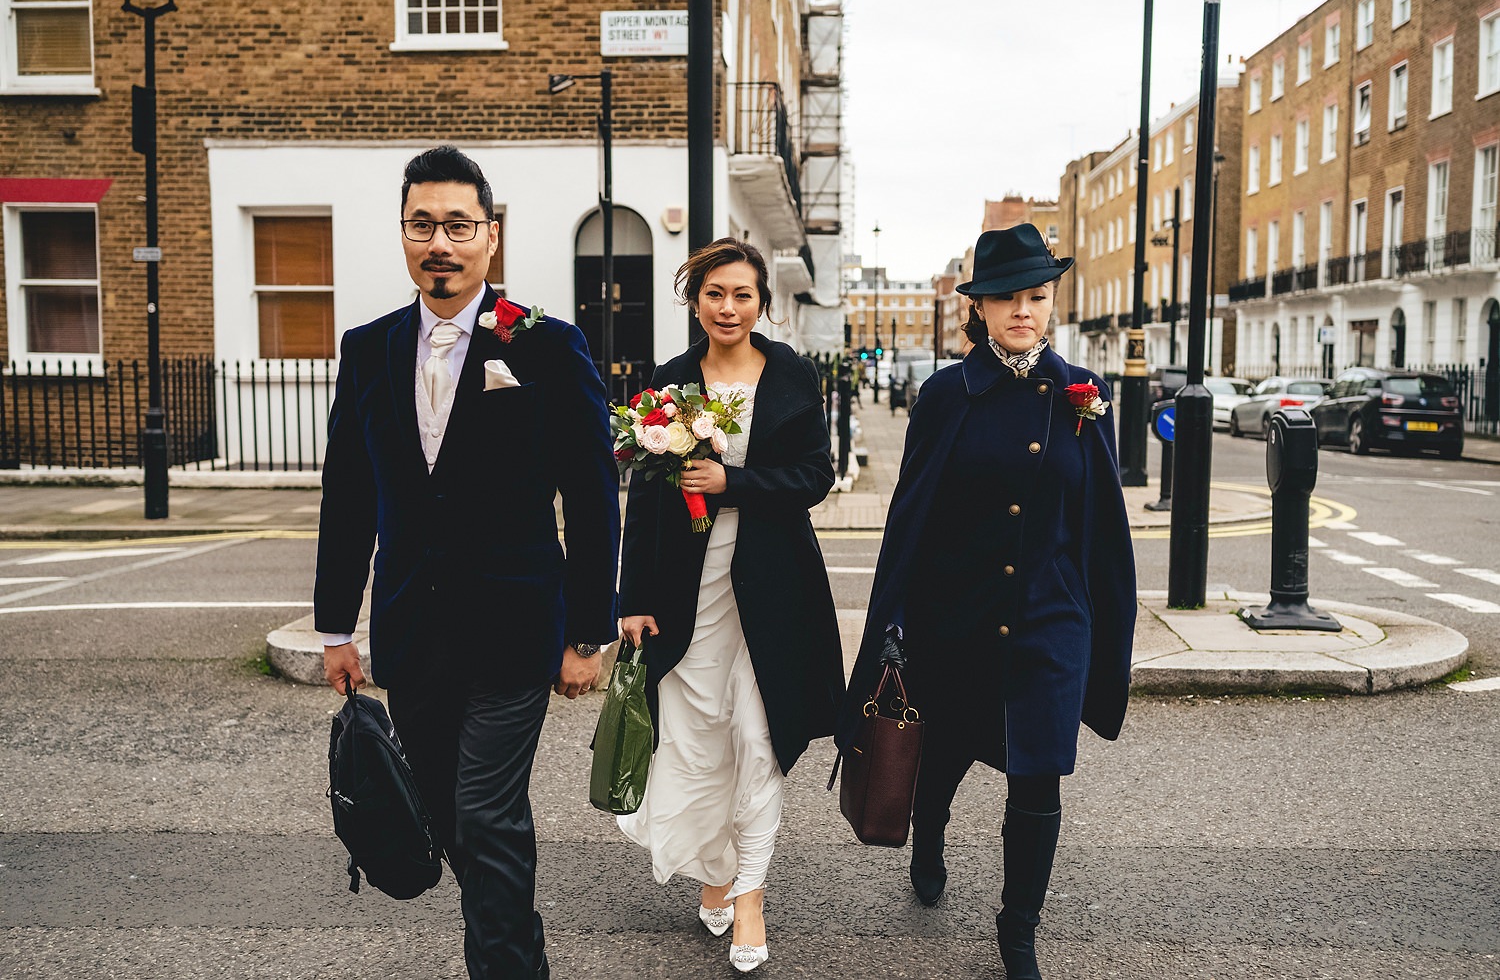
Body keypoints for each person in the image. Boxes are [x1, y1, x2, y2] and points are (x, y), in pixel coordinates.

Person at [315, 146, 620, 980]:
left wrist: (589, 632)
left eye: (458, 225)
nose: (439, 242)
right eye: (423, 225)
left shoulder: (547, 346)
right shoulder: (368, 348)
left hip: (516, 629)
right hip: (415, 635)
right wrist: (336, 627)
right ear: (404, 235)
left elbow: (593, 498)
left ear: (490, 236)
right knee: (451, 819)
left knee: (486, 815)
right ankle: (515, 947)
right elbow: (348, 496)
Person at [835, 223, 1136, 980]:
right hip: (956, 618)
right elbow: (910, 517)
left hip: (1051, 622)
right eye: (1007, 298)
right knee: (944, 758)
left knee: (1039, 773)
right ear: (981, 308)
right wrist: (892, 624)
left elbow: (1103, 526)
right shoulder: (946, 395)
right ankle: (929, 834)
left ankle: (1018, 927)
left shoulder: (1082, 397)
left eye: (1037, 296)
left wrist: (1107, 630)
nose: (1024, 311)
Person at [617, 237, 845, 974]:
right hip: (689, 593)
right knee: (697, 740)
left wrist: (734, 484)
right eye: (715, 293)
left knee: (758, 738)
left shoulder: (790, 376)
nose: (728, 307)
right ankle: (715, 867)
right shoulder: (672, 379)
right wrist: (632, 599)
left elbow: (816, 475)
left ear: (761, 303)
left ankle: (749, 892)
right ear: (695, 299)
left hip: (774, 592)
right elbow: (645, 500)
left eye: (742, 294)